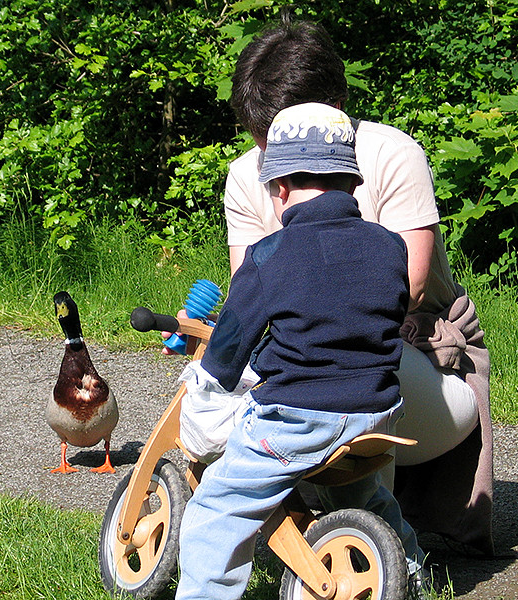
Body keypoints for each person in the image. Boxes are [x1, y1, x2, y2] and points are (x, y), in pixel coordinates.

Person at [222, 17, 493, 556]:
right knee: (220, 383)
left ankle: (365, 552)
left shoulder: (392, 154)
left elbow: (406, 290)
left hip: (412, 352)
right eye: (259, 135)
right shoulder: (244, 176)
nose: (266, 154)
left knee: (358, 368)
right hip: (306, 353)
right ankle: (276, 534)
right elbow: (244, 293)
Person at [176, 102, 423, 600]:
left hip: (297, 419)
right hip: (376, 415)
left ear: (279, 189)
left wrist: (209, 381)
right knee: (359, 491)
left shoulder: (269, 254)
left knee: (219, 506)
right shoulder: (389, 247)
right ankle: (410, 571)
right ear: (353, 185)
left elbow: (229, 345)